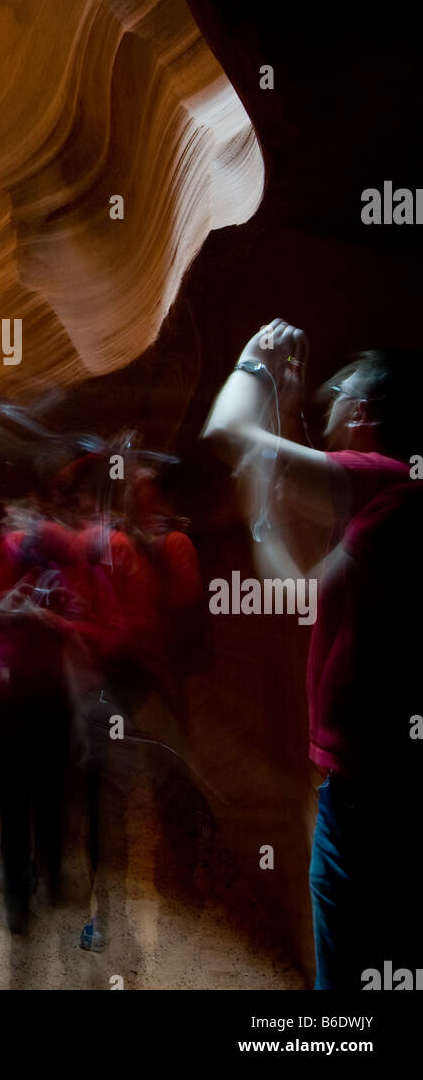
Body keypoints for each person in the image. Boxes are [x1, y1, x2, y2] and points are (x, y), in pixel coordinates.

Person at [203, 320, 420, 988]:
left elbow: (226, 432)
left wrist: (252, 366)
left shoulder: (385, 482)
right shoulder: (390, 507)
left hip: (371, 801)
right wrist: (288, 412)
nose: (325, 405)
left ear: (361, 414)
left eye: (335, 398)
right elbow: (294, 583)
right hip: (374, 793)